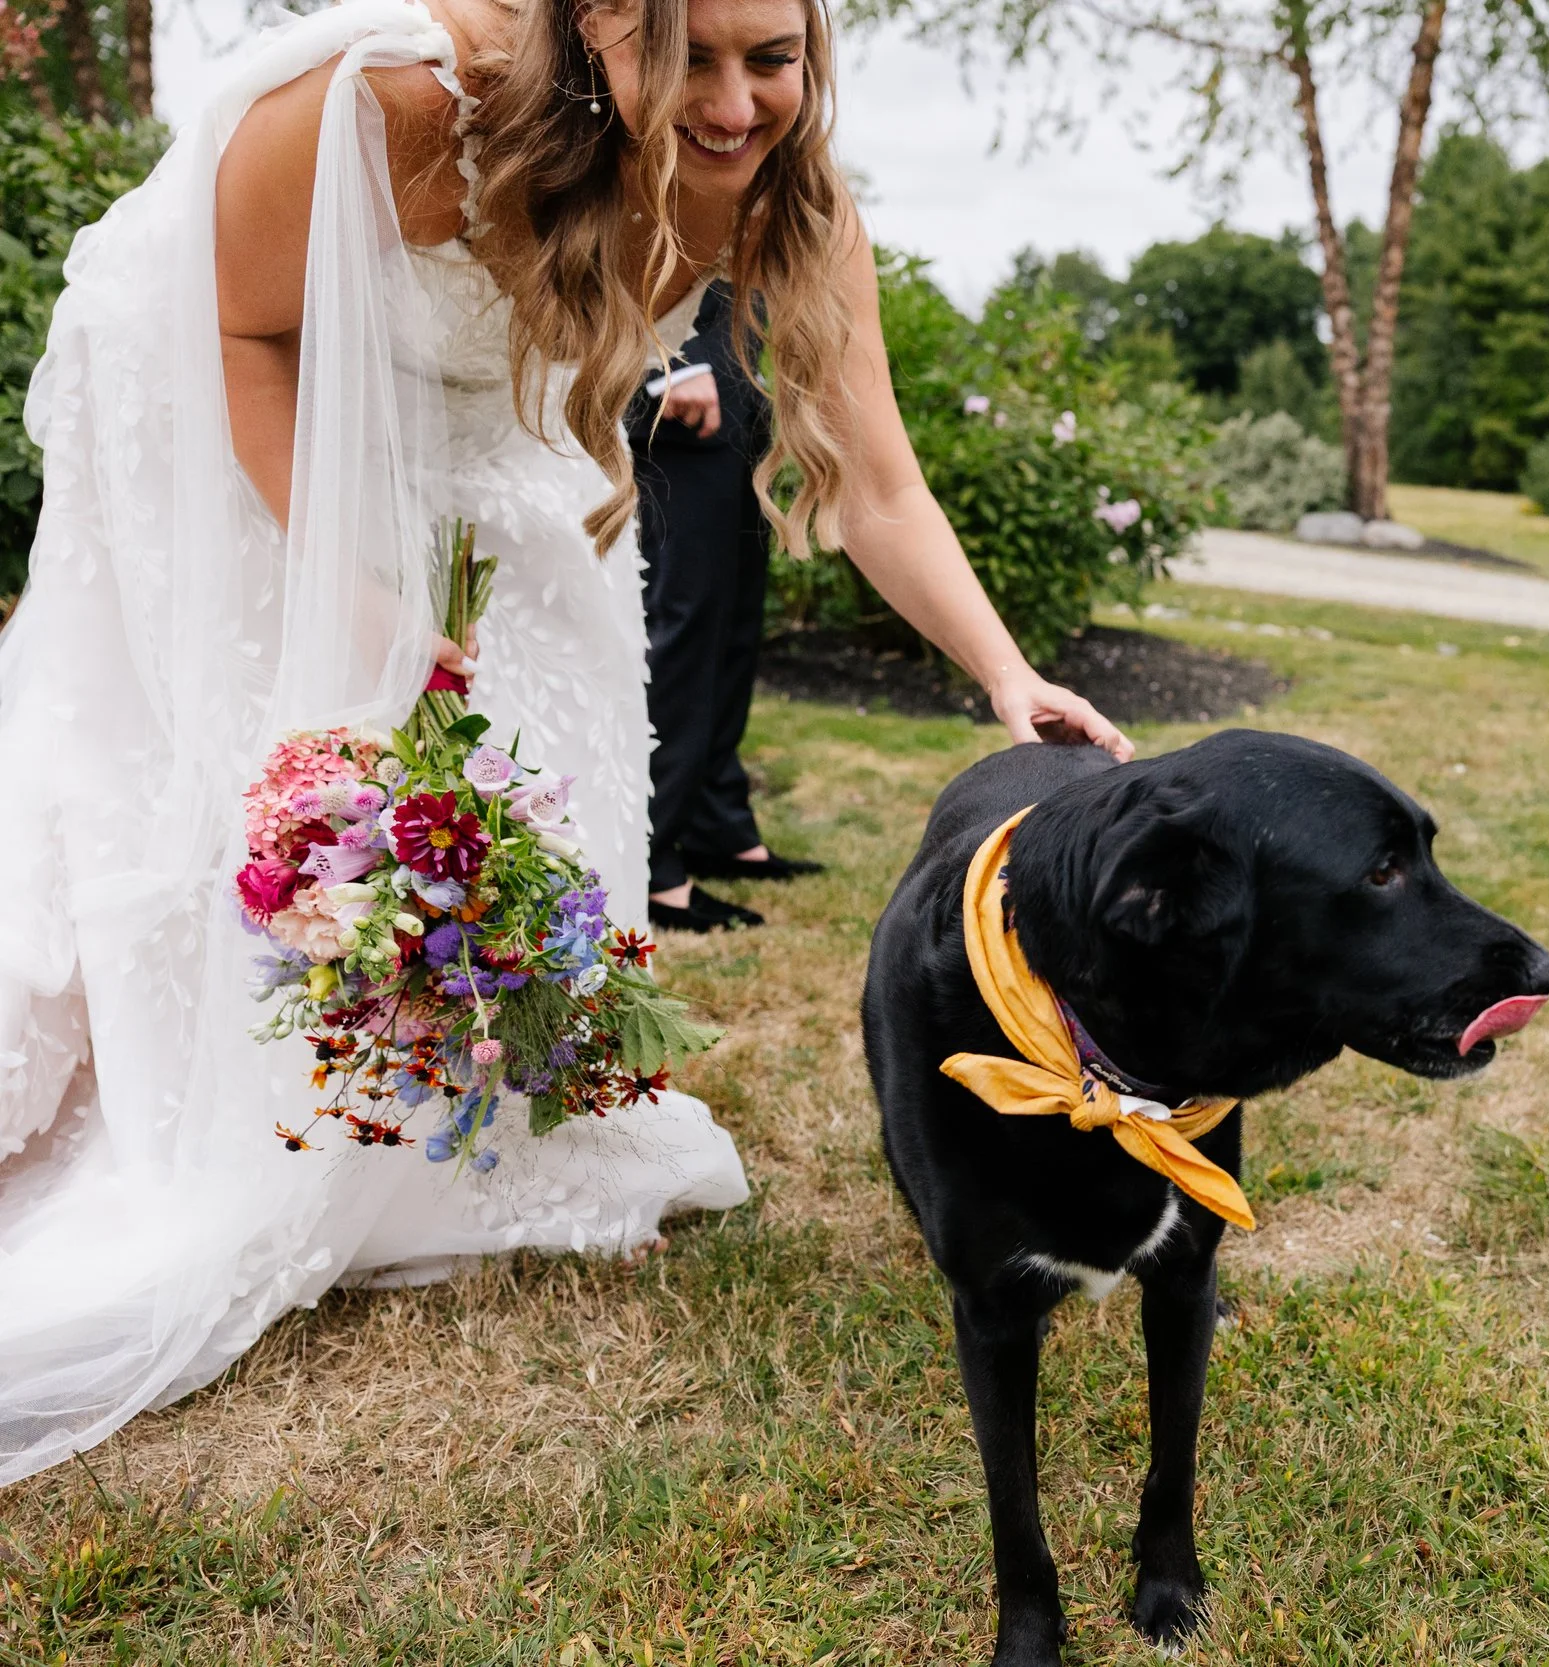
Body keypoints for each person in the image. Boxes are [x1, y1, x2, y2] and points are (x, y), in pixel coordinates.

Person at [0, 0, 1130, 1486]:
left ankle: (456, 1123)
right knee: (255, 757)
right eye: (693, 58)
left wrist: (1004, 671)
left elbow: (875, 481)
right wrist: (360, 602)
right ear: (600, 24)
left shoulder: (791, 201)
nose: (734, 106)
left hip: (487, 428)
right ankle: (171, 1085)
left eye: (772, 59)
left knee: (527, 729)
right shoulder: (408, 103)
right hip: (214, 382)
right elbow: (234, 328)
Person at [630, 283, 814, 933]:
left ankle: (715, 817)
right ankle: (649, 857)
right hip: (675, 381)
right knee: (683, 621)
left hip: (733, 372)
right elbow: (630, 229)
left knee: (733, 616)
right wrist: (670, 367)